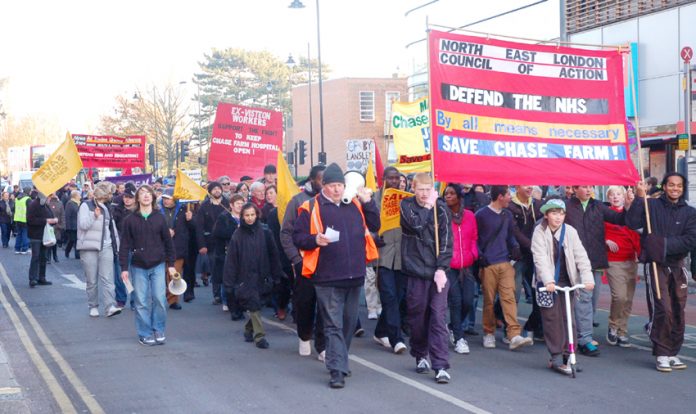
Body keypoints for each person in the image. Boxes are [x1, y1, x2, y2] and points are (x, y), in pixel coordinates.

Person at [293, 163, 380, 389]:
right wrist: (314, 240)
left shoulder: (354, 204)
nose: (337, 190)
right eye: (332, 185)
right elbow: (298, 237)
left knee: (349, 323)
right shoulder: (309, 206)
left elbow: (375, 224)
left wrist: (369, 202)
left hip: (354, 275)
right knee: (333, 325)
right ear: (324, 185)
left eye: (340, 185)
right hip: (326, 277)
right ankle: (336, 370)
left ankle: (340, 359)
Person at [627, 173, 696, 372]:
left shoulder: (690, 213)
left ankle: (673, 352)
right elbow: (631, 222)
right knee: (662, 309)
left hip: (677, 267)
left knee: (677, 310)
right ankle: (662, 353)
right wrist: (640, 198)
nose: (675, 189)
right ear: (664, 186)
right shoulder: (652, 206)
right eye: (671, 185)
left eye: (679, 186)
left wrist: (662, 244)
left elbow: (691, 240)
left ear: (683, 189)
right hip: (656, 266)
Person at [531, 199, 594, 375]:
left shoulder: (570, 232)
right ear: (546, 214)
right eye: (554, 213)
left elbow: (581, 256)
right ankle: (556, 355)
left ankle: (570, 354)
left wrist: (587, 279)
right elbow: (540, 258)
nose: (558, 217)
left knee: (569, 319)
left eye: (561, 213)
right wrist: (548, 281)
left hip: (568, 281)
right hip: (547, 283)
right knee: (552, 319)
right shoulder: (539, 231)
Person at [400, 173, 453, 384]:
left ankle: (440, 365)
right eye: (421, 189)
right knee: (418, 317)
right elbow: (416, 225)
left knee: (438, 318)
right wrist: (427, 208)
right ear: (413, 188)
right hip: (415, 271)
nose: (424, 193)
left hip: (437, 273)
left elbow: (447, 241)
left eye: (428, 189)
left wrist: (442, 268)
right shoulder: (406, 206)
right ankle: (421, 354)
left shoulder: (441, 208)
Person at [564, 185, 626, 357]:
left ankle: (581, 332)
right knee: (583, 298)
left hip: (596, 261)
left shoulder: (598, 205)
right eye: (584, 186)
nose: (588, 189)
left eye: (590, 186)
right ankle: (584, 338)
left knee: (592, 300)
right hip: (576, 262)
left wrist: (629, 204)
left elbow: (620, 219)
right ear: (575, 189)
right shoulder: (566, 206)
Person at [476, 185, 532, 350]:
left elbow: (510, 236)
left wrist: (515, 248)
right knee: (489, 300)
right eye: (508, 194)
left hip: (505, 262)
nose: (510, 197)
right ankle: (488, 332)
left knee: (509, 297)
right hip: (488, 264)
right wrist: (480, 256)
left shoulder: (507, 215)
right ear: (500, 196)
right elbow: (475, 238)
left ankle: (514, 334)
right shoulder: (481, 215)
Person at [120, 185, 176, 346]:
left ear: (153, 197)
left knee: (159, 299)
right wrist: (124, 268)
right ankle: (144, 333)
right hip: (138, 266)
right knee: (141, 301)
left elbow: (168, 242)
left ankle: (158, 328)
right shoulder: (130, 220)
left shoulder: (160, 217)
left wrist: (171, 264)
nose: (145, 196)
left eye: (148, 194)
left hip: (157, 264)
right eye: (142, 193)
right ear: (137, 198)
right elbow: (124, 245)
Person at [280, 165, 326, 358]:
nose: (325, 185)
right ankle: (305, 336)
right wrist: (296, 259)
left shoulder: (332, 202)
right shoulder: (297, 201)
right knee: (305, 302)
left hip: (328, 263)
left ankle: (322, 344)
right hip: (305, 263)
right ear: (312, 180)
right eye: (321, 181)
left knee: (326, 304)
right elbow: (286, 233)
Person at [224, 203, 283, 349]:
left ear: (257, 215)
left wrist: (277, 274)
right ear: (242, 217)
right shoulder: (237, 235)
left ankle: (249, 329)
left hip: (263, 275)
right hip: (245, 277)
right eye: (247, 215)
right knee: (254, 304)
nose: (250, 218)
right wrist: (229, 283)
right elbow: (231, 260)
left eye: (252, 215)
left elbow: (274, 254)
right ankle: (260, 337)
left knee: (259, 304)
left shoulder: (265, 231)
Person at [373, 167, 408, 354]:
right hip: (383, 258)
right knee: (389, 296)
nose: (394, 181)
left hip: (402, 258)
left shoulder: (405, 200)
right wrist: (372, 236)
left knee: (398, 297)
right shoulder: (374, 200)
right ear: (383, 179)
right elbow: (366, 223)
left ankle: (380, 331)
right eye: (391, 178)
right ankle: (397, 339)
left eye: (397, 178)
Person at [77, 183, 122, 317]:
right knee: (92, 280)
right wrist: (94, 216)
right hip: (89, 247)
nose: (107, 199)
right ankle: (93, 305)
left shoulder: (108, 207)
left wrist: (117, 246)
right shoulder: (86, 205)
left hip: (106, 246)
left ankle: (110, 306)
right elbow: (83, 225)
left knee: (108, 278)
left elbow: (111, 229)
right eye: (104, 198)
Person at [603, 186, 641, 348]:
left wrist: (640, 253)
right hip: (613, 260)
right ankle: (613, 326)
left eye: (619, 194)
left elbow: (636, 235)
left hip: (630, 259)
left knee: (628, 299)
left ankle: (622, 331)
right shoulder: (605, 213)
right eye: (612, 195)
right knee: (620, 296)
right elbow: (595, 232)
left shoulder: (631, 214)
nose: (616, 197)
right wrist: (605, 241)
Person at [443, 183, 478, 355]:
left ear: (458, 196)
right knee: (455, 301)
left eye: (451, 193)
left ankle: (452, 327)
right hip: (449, 266)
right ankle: (459, 338)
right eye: (445, 194)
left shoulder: (470, 216)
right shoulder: (442, 215)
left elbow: (474, 237)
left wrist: (473, 253)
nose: (448, 196)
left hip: (467, 265)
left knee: (468, 300)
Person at [507, 185, 543, 341]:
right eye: (525, 184)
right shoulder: (510, 206)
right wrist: (533, 246)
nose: (530, 188)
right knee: (513, 294)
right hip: (518, 255)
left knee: (540, 294)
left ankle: (533, 326)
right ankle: (511, 332)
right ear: (517, 187)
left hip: (535, 256)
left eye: (531, 185)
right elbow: (515, 232)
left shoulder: (537, 205)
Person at [195, 181, 228, 303]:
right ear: (210, 191)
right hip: (211, 242)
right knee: (215, 269)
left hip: (226, 241)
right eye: (214, 189)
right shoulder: (204, 206)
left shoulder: (227, 204)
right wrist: (202, 245)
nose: (217, 191)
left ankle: (227, 294)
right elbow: (199, 227)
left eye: (219, 189)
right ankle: (217, 294)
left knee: (226, 268)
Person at [160, 188, 193, 310]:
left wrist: (191, 219)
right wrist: (165, 233)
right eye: (164, 198)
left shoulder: (185, 210)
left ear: (175, 199)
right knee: (162, 275)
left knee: (175, 274)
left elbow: (193, 228)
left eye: (168, 198)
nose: (165, 201)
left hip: (178, 248)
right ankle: (162, 297)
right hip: (161, 248)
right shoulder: (157, 210)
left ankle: (173, 300)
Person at [213, 194, 244, 317]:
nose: (240, 206)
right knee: (228, 276)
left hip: (242, 251)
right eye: (237, 204)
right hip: (227, 251)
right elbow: (218, 233)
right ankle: (226, 300)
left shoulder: (245, 217)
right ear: (231, 205)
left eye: (242, 204)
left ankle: (241, 301)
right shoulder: (224, 217)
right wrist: (234, 230)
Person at [26, 191, 57, 287]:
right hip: (36, 235)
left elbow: (50, 217)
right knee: (35, 257)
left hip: (45, 235)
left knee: (43, 257)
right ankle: (33, 279)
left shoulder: (46, 205)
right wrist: (46, 220)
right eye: (48, 197)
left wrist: (53, 221)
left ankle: (42, 277)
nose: (50, 199)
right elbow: (30, 220)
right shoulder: (33, 204)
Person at [46, 193, 65, 263]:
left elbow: (62, 214)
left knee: (55, 241)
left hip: (57, 225)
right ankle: (48, 257)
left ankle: (55, 255)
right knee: (49, 242)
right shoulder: (47, 202)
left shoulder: (60, 203)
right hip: (48, 225)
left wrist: (63, 225)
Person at [13, 187, 31, 254]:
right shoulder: (28, 199)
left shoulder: (17, 198)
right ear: (28, 192)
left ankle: (17, 249)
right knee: (25, 234)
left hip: (18, 219)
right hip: (25, 219)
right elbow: (30, 210)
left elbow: (14, 208)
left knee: (19, 234)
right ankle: (24, 249)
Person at [64, 190, 81, 259]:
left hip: (79, 225)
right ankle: (67, 250)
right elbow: (67, 215)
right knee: (71, 240)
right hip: (72, 226)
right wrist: (68, 227)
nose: (80, 196)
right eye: (79, 195)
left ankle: (77, 255)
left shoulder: (79, 203)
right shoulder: (70, 203)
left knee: (77, 240)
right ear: (75, 196)